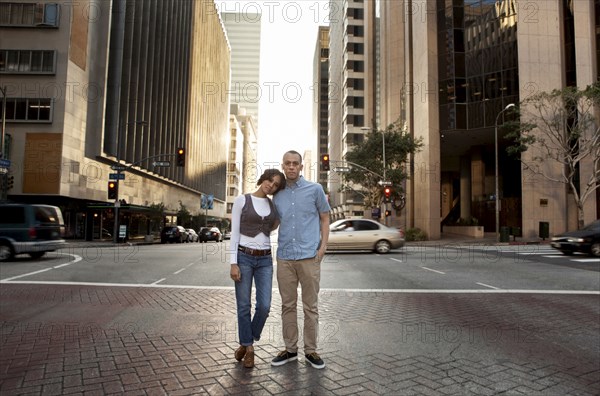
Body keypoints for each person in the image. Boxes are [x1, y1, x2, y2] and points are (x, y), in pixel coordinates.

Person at [271, 150, 331, 369]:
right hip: (285, 257)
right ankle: (290, 349)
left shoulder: (315, 190)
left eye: (295, 163)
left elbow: (325, 218)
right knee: (287, 305)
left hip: (309, 257)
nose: (291, 167)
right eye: (287, 163)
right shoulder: (277, 194)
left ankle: (311, 351)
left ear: (301, 167)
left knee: (310, 307)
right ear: (283, 166)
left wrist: (322, 248)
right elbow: (275, 222)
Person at [230, 168, 285, 368]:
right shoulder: (242, 200)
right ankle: (250, 349)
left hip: (265, 260)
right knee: (244, 306)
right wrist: (233, 262)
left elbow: (274, 226)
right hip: (243, 257)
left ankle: (246, 341)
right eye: (270, 180)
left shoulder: (273, 205)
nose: (271, 185)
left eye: (276, 184)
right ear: (263, 179)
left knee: (264, 306)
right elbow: (234, 233)